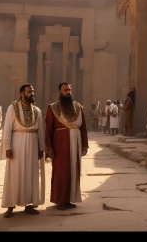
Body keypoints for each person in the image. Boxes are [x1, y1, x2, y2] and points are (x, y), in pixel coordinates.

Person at [0, 84, 45, 218]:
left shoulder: (37, 110)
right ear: (21, 93)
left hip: (32, 145)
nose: (32, 93)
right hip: (17, 144)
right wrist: (7, 147)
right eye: (29, 91)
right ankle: (10, 205)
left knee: (31, 174)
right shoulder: (12, 108)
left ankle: (29, 204)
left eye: (33, 91)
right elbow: (7, 129)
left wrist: (41, 148)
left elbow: (40, 131)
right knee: (14, 174)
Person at [45, 82, 88, 210]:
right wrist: (49, 147)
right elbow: (48, 129)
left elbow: (83, 127)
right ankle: (60, 200)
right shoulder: (53, 108)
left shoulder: (78, 107)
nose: (68, 92)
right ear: (59, 92)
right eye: (65, 90)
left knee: (74, 170)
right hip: (60, 143)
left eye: (69, 90)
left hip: (76, 142)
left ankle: (70, 199)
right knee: (61, 170)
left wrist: (85, 144)